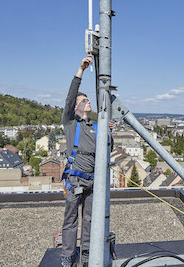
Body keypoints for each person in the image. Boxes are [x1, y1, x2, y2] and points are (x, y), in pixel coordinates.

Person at [61, 55, 113, 267]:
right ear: (75, 107)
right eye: (83, 101)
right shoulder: (71, 124)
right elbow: (70, 97)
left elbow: (109, 149)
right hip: (75, 179)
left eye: (87, 99)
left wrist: (109, 131)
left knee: (90, 221)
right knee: (71, 220)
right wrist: (80, 70)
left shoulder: (97, 127)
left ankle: (86, 256)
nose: (87, 101)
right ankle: (67, 256)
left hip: (93, 181)